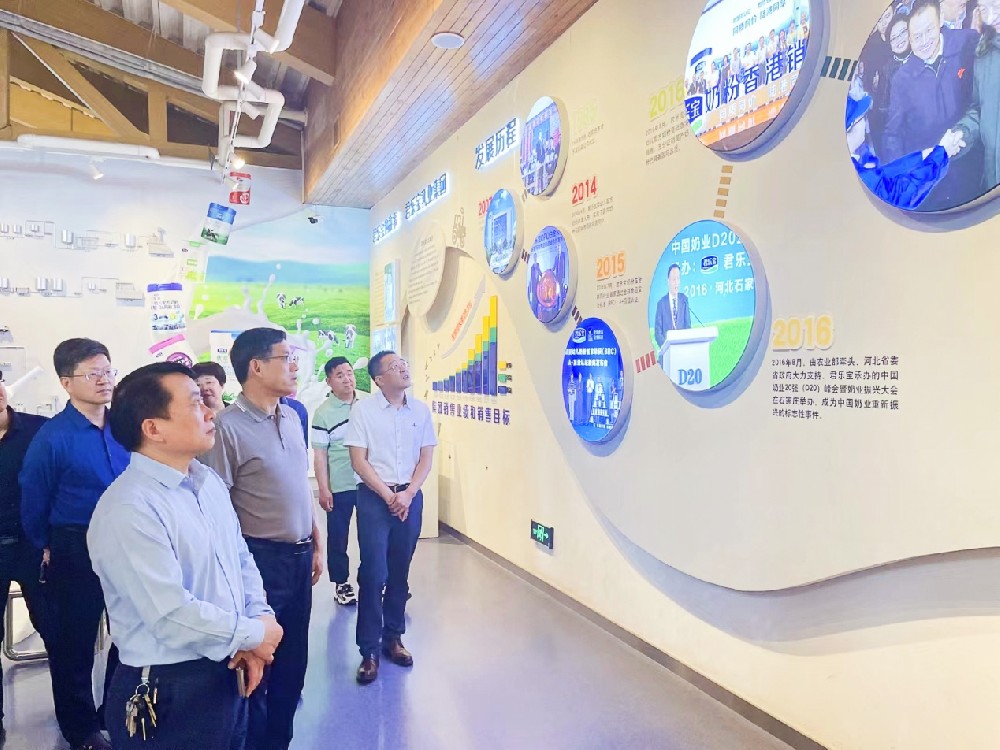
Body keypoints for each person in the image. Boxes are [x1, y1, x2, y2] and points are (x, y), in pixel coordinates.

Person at [89, 363, 284, 750]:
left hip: (228, 668)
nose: (211, 412)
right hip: (170, 690)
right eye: (195, 403)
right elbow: (170, 615)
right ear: (153, 428)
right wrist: (255, 635)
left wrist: (257, 623)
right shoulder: (129, 508)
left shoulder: (207, 482)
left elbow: (240, 560)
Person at [199, 327, 322, 750]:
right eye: (286, 358)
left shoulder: (292, 416)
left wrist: (315, 540)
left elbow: (297, 485)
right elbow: (216, 511)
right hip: (259, 560)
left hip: (300, 556)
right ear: (256, 366)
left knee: (292, 665)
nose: (294, 366)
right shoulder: (226, 429)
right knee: (256, 664)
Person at [20, 338, 129, 750]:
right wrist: (44, 544)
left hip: (127, 542)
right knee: (74, 643)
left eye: (107, 371)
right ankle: (81, 729)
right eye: (93, 374)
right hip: (75, 546)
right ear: (66, 383)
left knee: (131, 631)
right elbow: (34, 498)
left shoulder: (125, 426)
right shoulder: (52, 437)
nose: (104, 380)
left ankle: (114, 711)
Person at [344, 351, 436, 685]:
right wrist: (388, 495)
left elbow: (425, 458)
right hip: (374, 497)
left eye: (404, 364)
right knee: (373, 573)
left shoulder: (420, 411)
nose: (403, 369)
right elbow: (359, 460)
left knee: (400, 570)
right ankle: (368, 650)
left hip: (409, 498)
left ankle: (393, 638)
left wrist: (408, 494)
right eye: (395, 367)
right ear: (379, 379)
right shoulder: (363, 411)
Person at [882, 0, 980, 209]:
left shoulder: (967, 43)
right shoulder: (902, 79)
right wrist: (901, 177)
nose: (924, 41)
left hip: (971, 163)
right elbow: (893, 133)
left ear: (941, 20)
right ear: (910, 38)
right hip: (932, 176)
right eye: (917, 37)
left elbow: (981, 99)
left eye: (929, 30)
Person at [0, 373, 54, 741]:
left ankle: (77, 720)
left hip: (34, 546)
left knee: (57, 630)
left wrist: (50, 541)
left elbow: (57, 484)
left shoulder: (39, 430)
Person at [847, 93, 956, 208]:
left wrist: (921, 158)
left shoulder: (854, 159)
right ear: (851, 126)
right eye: (862, 118)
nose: (865, 122)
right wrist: (940, 155)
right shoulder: (856, 177)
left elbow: (882, 176)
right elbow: (901, 196)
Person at [311, 356, 361, 606]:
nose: (347, 379)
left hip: (370, 484)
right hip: (340, 485)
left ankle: (375, 580)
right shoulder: (323, 413)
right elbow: (320, 455)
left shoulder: (367, 405)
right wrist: (324, 488)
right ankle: (341, 583)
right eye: (339, 375)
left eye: (349, 373)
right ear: (329, 381)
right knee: (338, 537)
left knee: (373, 536)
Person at [953, 0, 1000, 188]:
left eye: (996, 5)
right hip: (992, 176)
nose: (991, 17)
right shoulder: (983, 54)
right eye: (984, 9)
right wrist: (963, 133)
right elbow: (980, 109)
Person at [654, 264, 691, 354]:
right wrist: (666, 346)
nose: (676, 282)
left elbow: (688, 326)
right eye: (674, 279)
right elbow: (658, 332)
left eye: (678, 278)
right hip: (667, 352)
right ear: (668, 281)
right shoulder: (661, 303)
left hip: (682, 351)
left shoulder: (684, 300)